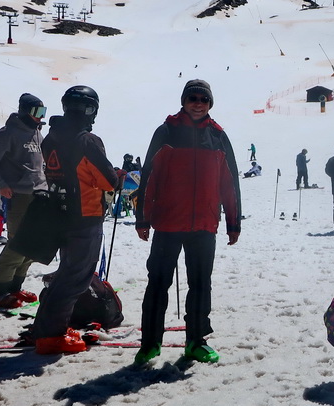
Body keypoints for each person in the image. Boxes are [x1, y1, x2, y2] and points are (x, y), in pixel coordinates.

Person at [133, 79, 242, 365]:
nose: (197, 103)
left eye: (203, 99)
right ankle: (150, 342)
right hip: (168, 222)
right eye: (192, 98)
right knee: (157, 283)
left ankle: (196, 341)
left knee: (200, 284)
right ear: (183, 100)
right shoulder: (167, 132)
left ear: (210, 104)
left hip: (204, 225)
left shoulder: (218, 136)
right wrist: (142, 218)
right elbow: (149, 176)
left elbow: (230, 183)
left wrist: (233, 222)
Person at [30, 85, 119, 355]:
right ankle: (51, 335)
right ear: (90, 110)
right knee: (76, 278)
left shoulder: (51, 137)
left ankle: (46, 327)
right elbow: (108, 181)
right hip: (85, 215)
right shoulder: (86, 140)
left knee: (66, 273)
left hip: (60, 213)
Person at [0, 93, 47, 309]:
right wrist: (0, 184)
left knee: (33, 243)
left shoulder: (38, 134)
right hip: (19, 195)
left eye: (43, 112)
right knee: (18, 243)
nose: (40, 117)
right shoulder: (9, 133)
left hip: (39, 194)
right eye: (37, 112)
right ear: (25, 111)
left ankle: (14, 287)